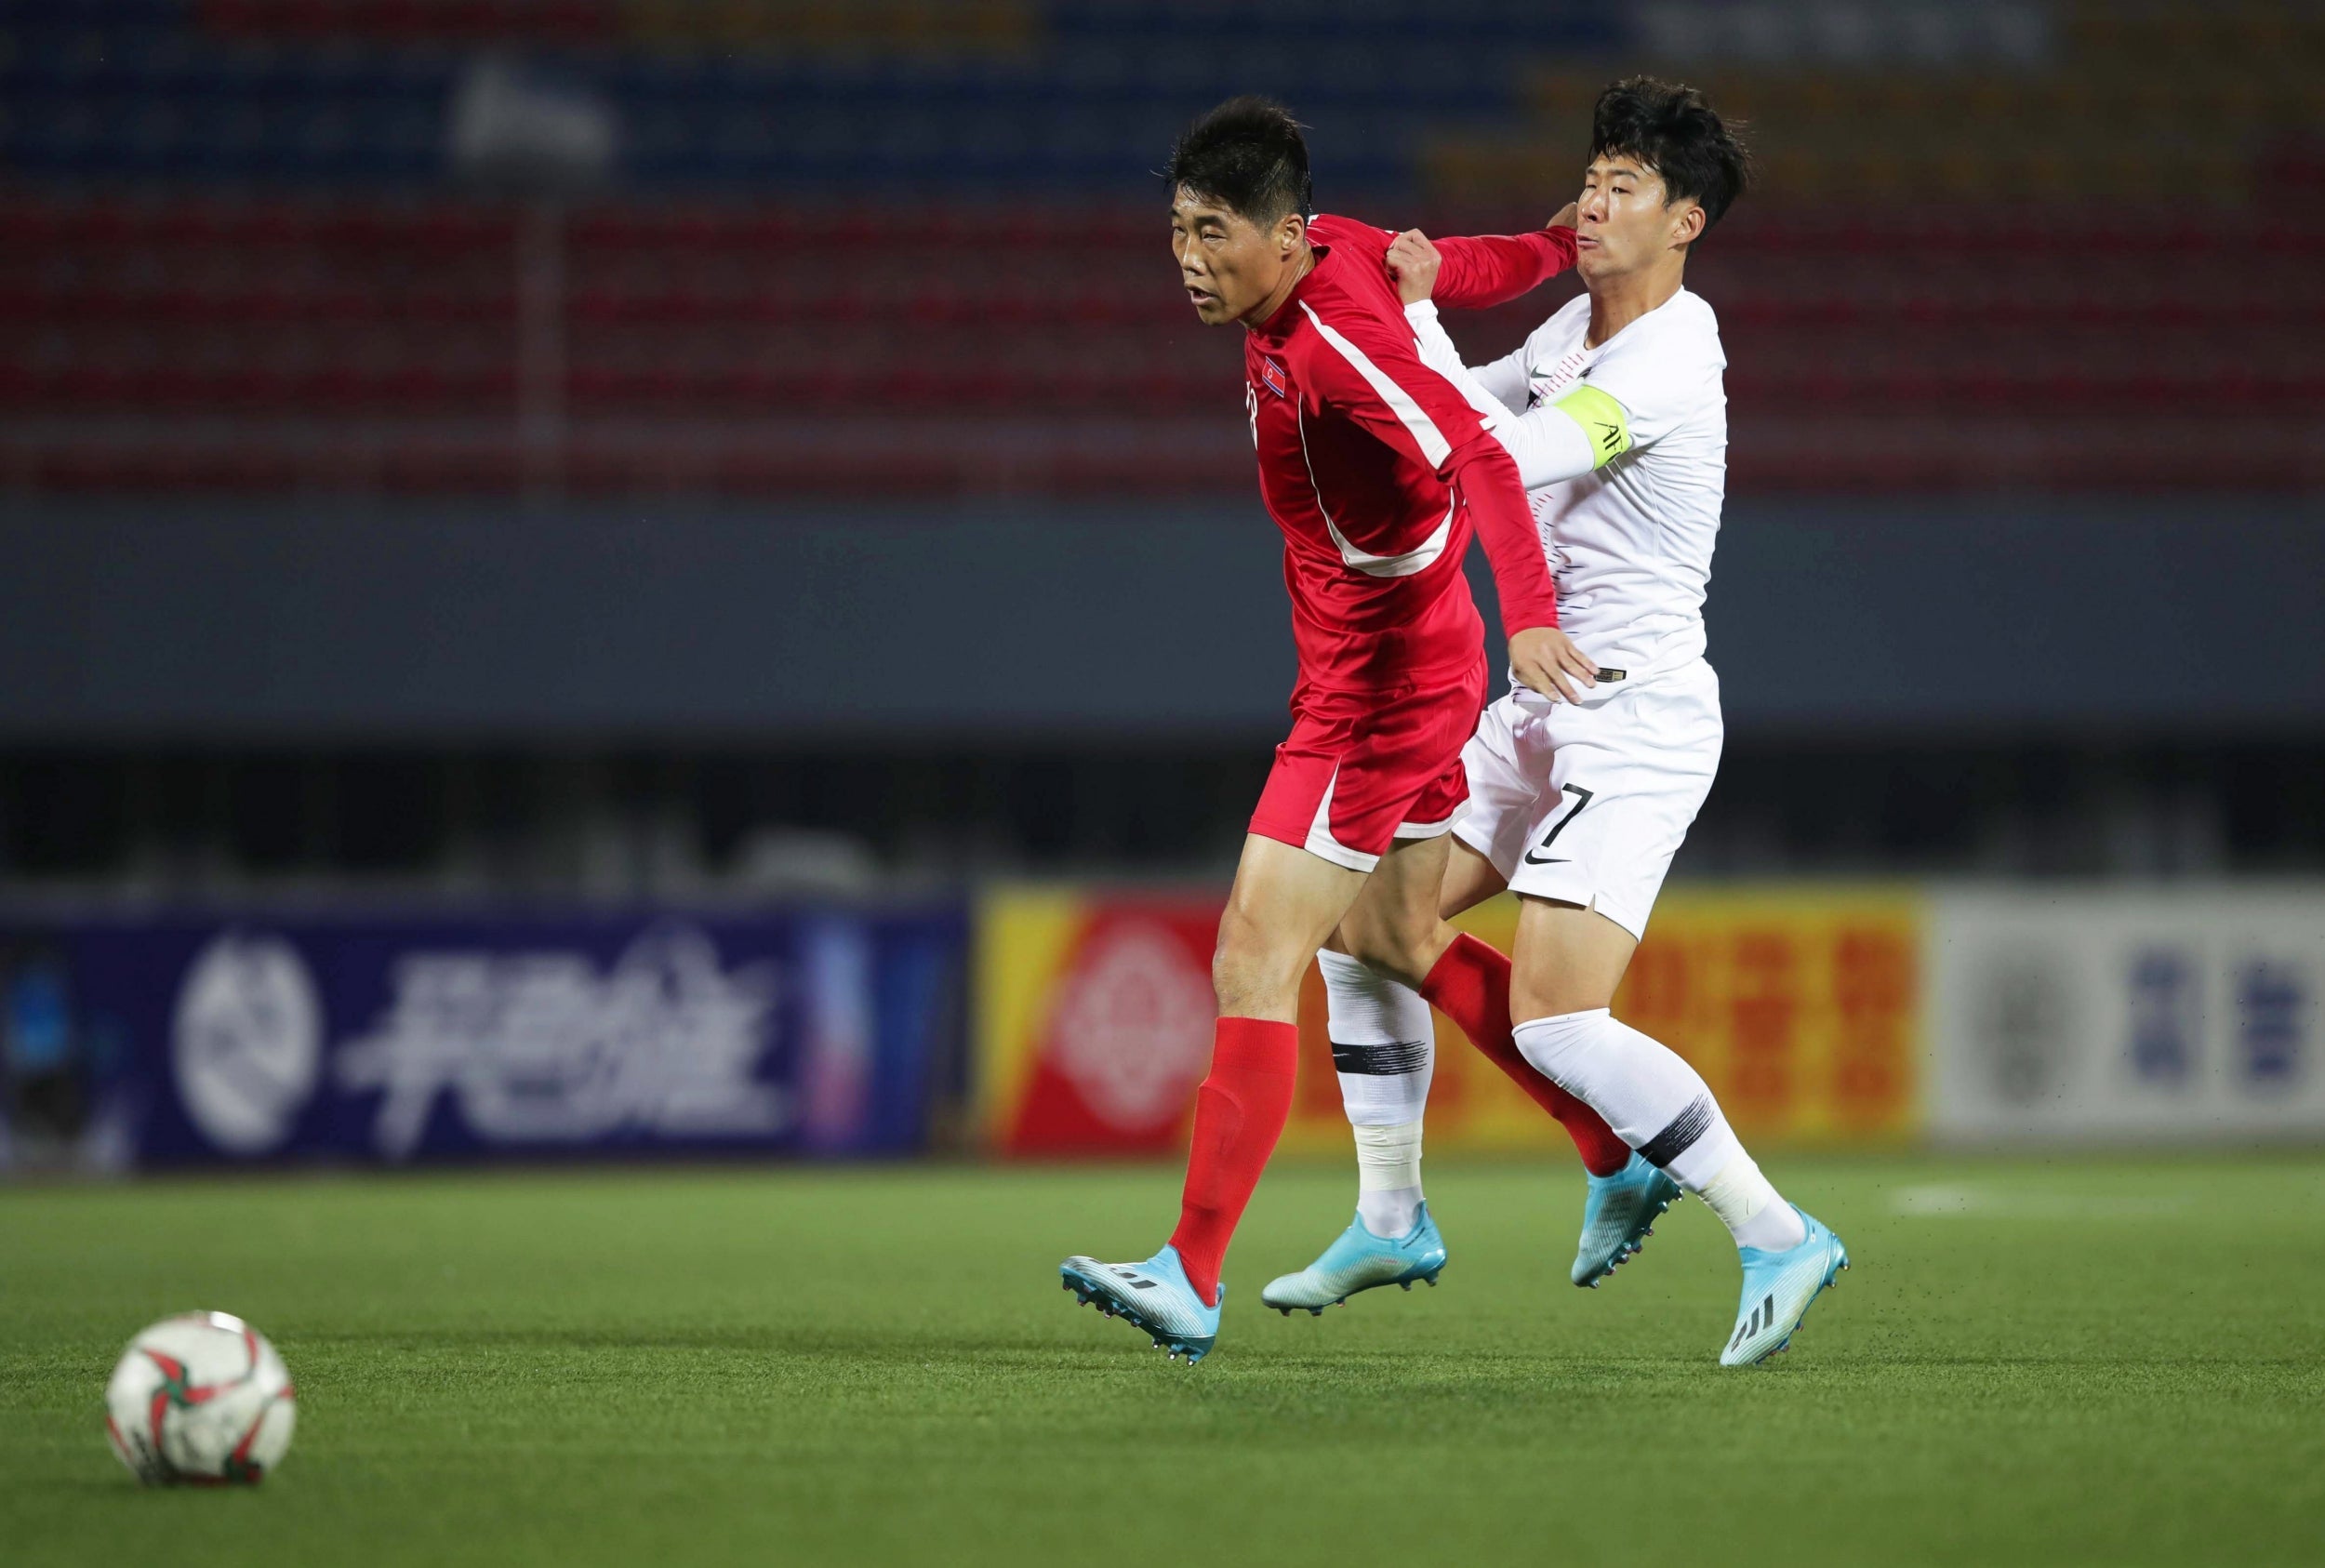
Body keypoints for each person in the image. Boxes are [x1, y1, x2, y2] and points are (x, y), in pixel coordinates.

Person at [1262, 77, 1849, 1367]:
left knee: (1558, 1023)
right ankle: (1392, 1213)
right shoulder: (1576, 324)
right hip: (1539, 704)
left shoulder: (1674, 355)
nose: (1591, 199)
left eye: (1625, 185)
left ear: (1686, 220)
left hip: (1633, 718)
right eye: (1590, 175)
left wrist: (1404, 322)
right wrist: (1406, 341)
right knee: (1366, 924)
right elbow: (1455, 408)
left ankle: (1776, 1230)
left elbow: (1503, 456)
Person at [1058, 96, 1615, 1363]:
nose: (1190, 260)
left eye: (1212, 233)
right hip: (1404, 662)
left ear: (1282, 235)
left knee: (1253, 954)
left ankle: (1190, 1273)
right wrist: (1552, 248)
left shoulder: (1330, 350)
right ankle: (1608, 1140)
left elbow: (1474, 446)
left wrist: (1529, 615)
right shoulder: (1340, 253)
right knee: (1397, 933)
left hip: (1373, 691)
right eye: (1178, 232)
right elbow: (1454, 265)